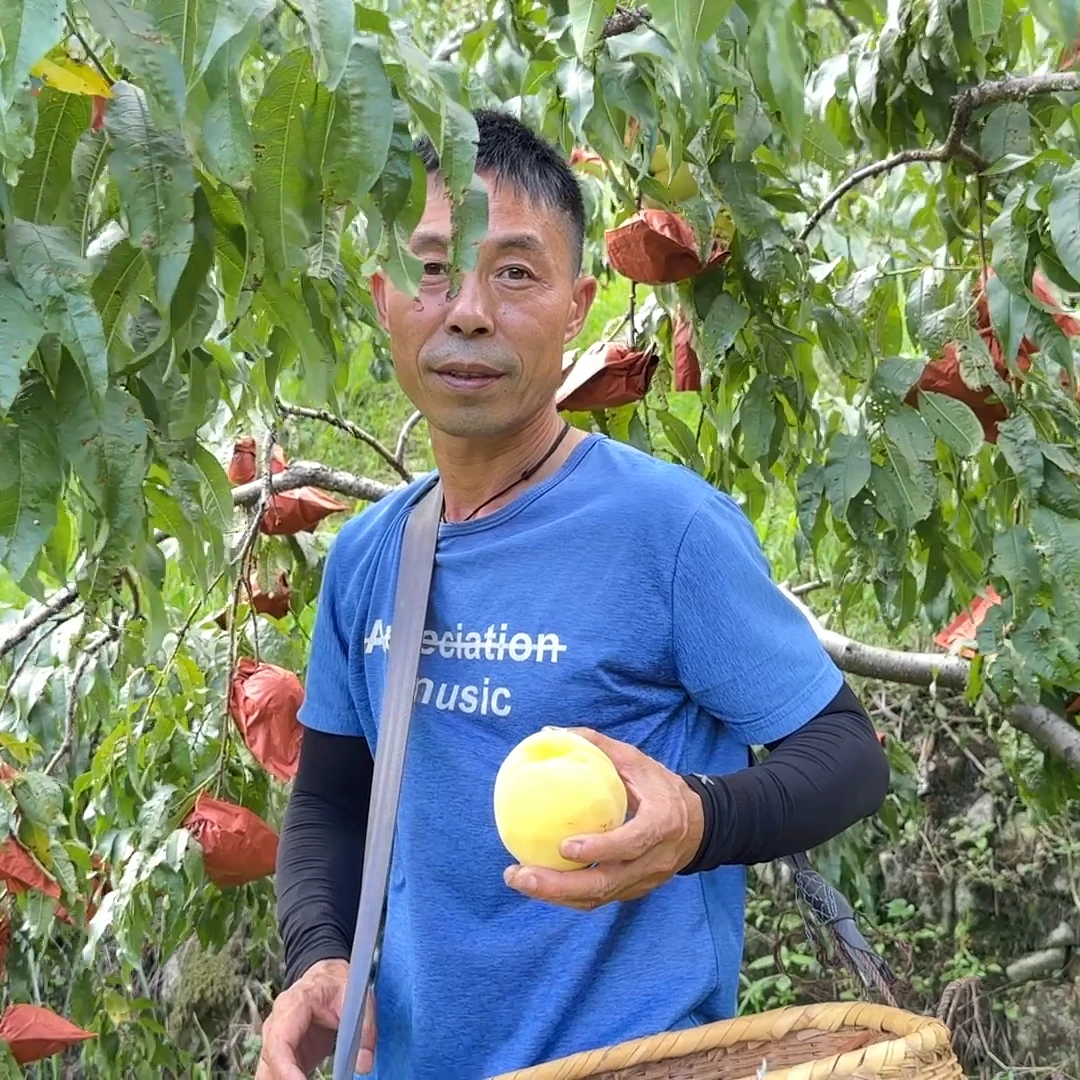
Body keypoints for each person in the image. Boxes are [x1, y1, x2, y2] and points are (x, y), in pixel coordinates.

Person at [255, 109, 890, 1080]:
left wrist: (697, 822)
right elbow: (335, 801)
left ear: (579, 304)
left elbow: (847, 756)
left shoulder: (667, 533)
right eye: (433, 268)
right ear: (383, 294)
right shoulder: (372, 557)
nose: (467, 308)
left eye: (514, 271)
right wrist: (317, 958)